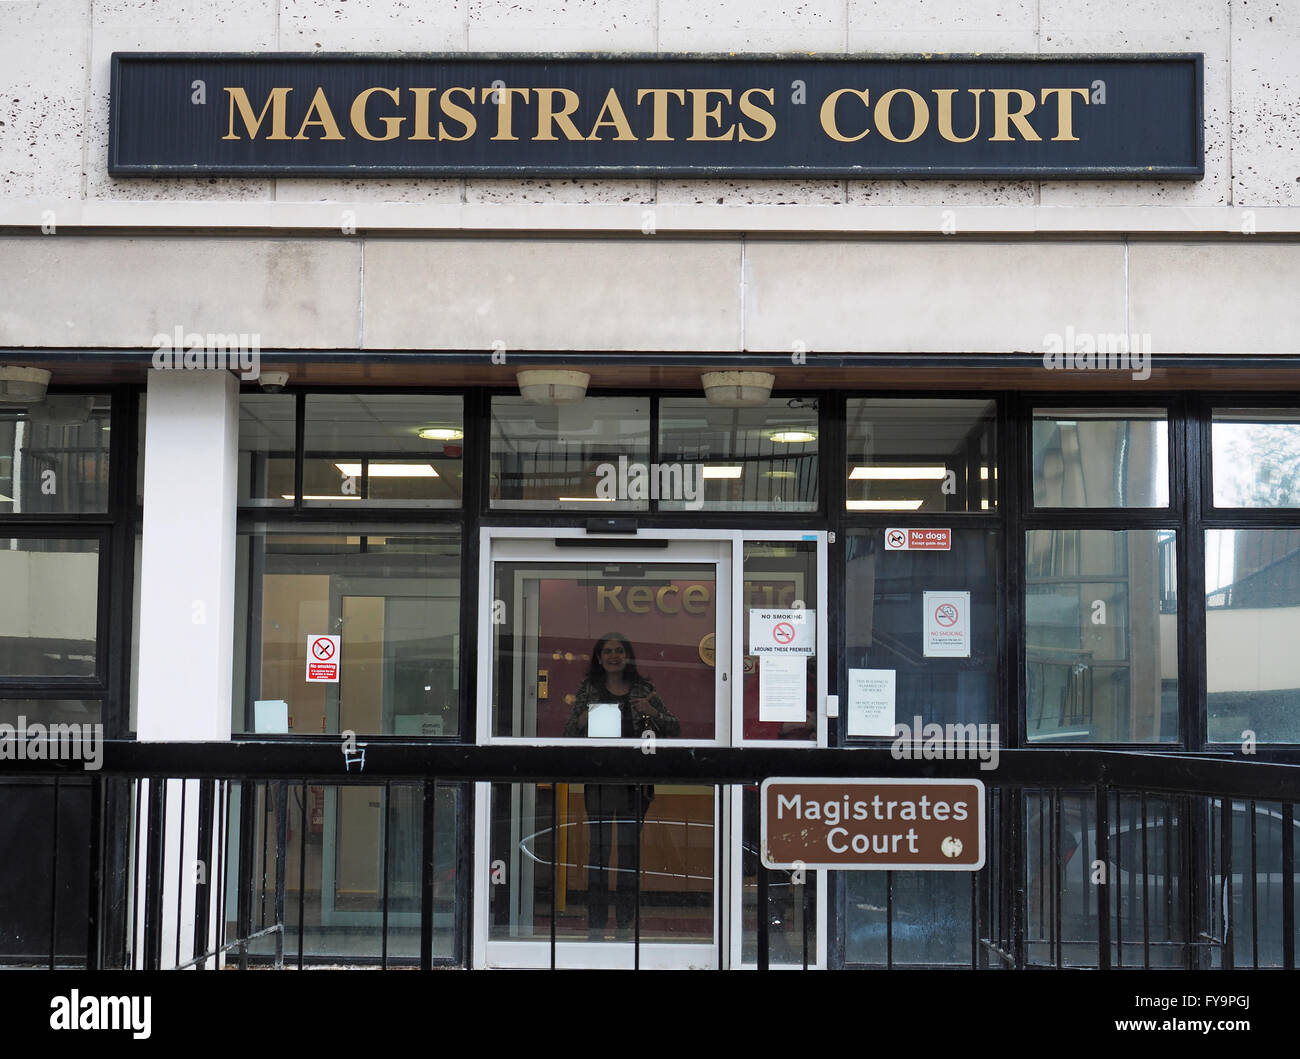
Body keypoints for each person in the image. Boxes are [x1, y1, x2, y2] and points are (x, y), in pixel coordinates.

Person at [562, 632, 679, 936]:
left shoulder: (644, 689)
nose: (613, 655)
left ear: (627, 656)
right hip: (599, 781)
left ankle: (626, 924)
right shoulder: (589, 689)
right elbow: (567, 735)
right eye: (607, 651)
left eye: (619, 650)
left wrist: (652, 713)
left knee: (629, 856)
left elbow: (675, 729)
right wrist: (582, 720)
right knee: (597, 855)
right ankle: (596, 926)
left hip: (635, 784)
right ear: (599, 658)